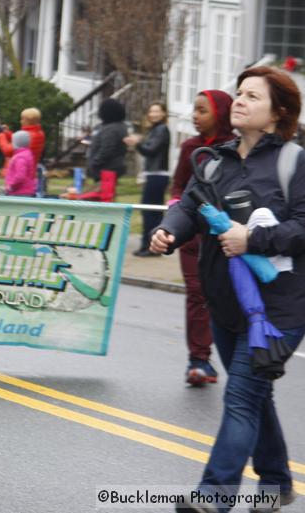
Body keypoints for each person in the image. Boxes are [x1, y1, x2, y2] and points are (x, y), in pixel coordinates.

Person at [153, 67, 305, 512]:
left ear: (277, 114)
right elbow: (191, 207)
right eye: (239, 93)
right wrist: (168, 230)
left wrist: (252, 239)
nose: (239, 101)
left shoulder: (294, 163)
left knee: (241, 397)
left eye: (252, 96)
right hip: (225, 303)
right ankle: (276, 482)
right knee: (255, 395)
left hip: (277, 310)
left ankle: (213, 497)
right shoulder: (214, 160)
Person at [170, 90, 235, 387]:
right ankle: (198, 359)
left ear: (220, 114)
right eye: (194, 110)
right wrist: (174, 223)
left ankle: (240, 362)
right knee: (196, 294)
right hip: (192, 237)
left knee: (223, 296)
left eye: (202, 111)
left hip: (227, 238)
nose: (195, 116)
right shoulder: (190, 148)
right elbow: (178, 189)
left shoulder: (235, 148)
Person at [125, 102, 172, 257]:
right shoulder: (156, 130)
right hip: (155, 175)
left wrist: (137, 143)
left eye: (157, 111)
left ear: (163, 113)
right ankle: (150, 246)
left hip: (157, 175)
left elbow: (150, 151)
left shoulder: (161, 129)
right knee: (153, 213)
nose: (153, 114)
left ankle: (149, 247)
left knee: (150, 213)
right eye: (151, 111)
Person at [5, 130, 38, 197]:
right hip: (26, 190)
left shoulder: (20, 157)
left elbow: (20, 176)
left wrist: (11, 186)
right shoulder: (27, 154)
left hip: (20, 192)